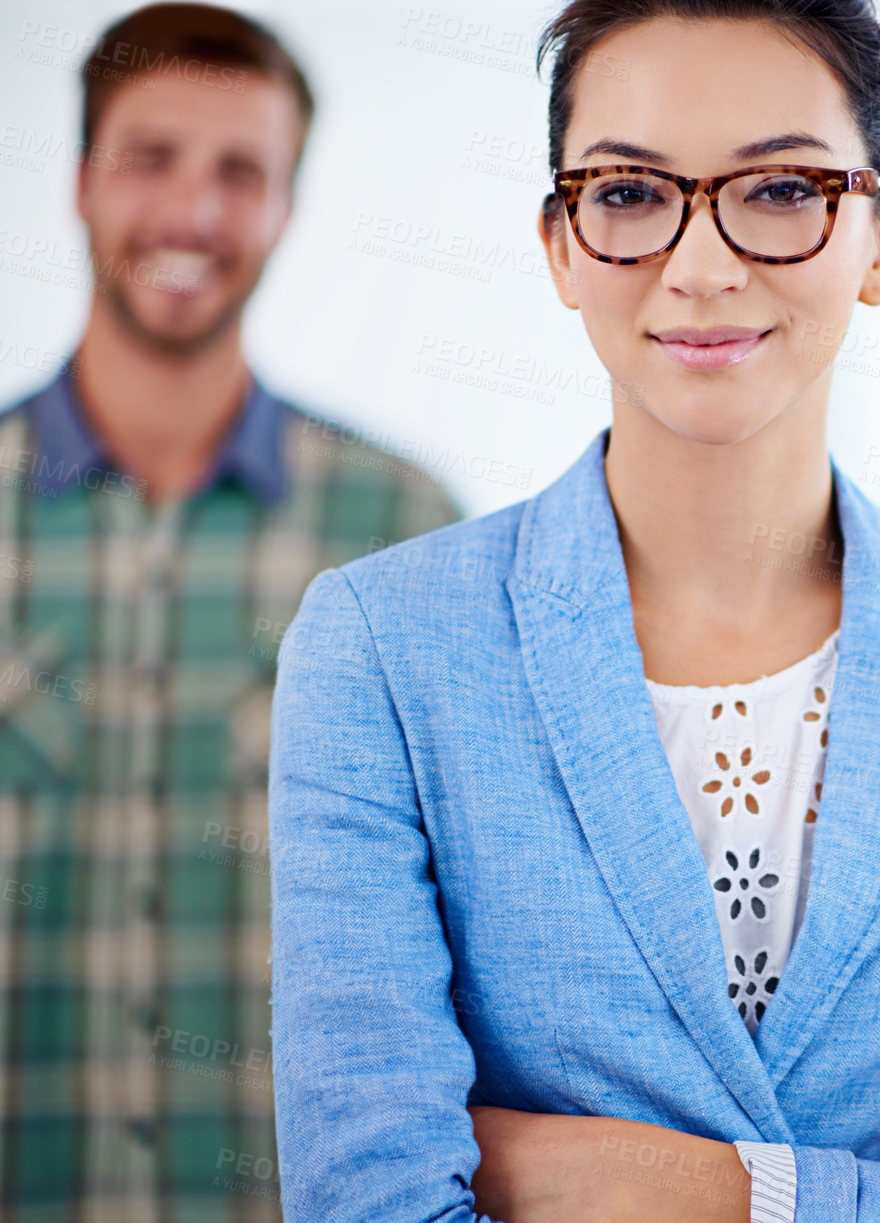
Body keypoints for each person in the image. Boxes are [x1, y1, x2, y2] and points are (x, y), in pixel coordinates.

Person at [267, 2, 880, 1220]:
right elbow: (375, 1207)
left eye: (780, 189)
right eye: (628, 193)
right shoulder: (382, 647)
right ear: (561, 244)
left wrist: (732, 1191)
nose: (703, 262)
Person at [0, 5, 461, 1219]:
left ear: (286, 206)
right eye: (152, 159)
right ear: (84, 182)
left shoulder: (403, 534)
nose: (193, 213)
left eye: (240, 172)